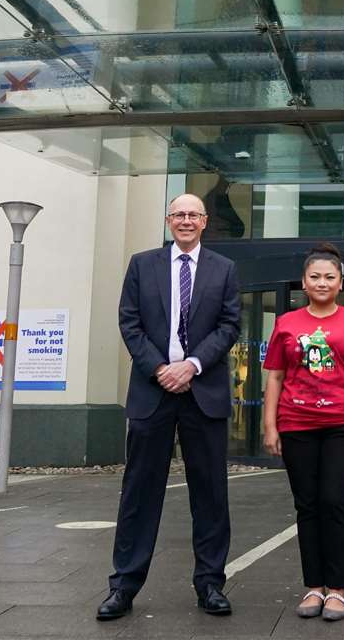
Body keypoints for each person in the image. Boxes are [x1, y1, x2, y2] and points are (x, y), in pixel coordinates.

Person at [99, 194, 241, 621]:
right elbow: (130, 322)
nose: (184, 220)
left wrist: (192, 365)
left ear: (204, 221)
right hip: (152, 390)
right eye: (178, 214)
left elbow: (229, 324)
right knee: (139, 493)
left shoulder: (224, 269)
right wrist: (160, 367)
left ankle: (211, 583)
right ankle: (123, 586)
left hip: (203, 393)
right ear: (168, 220)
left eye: (192, 215)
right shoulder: (143, 265)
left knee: (210, 494)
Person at [262, 243, 344, 622]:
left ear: (340, 282)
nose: (322, 282)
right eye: (315, 276)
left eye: (329, 276)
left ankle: (338, 590)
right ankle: (314, 587)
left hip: (343, 426)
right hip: (296, 425)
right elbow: (276, 376)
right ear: (303, 281)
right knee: (306, 505)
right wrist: (270, 425)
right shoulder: (287, 323)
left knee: (334, 502)